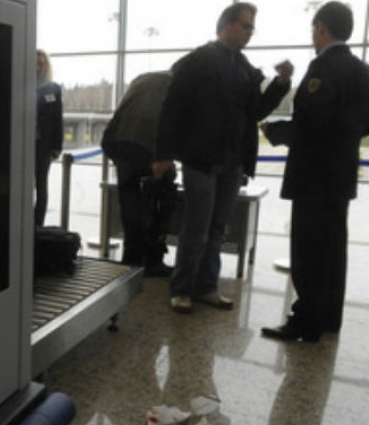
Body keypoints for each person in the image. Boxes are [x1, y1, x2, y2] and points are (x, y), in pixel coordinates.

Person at [152, 2, 293, 313]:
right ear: (226, 24)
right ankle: (182, 288)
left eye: (252, 27)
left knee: (217, 229)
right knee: (197, 228)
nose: (250, 32)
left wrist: (280, 85)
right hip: (201, 159)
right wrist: (163, 154)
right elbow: (172, 109)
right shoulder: (197, 61)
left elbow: (255, 111)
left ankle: (206, 287)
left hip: (232, 160)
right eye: (245, 25)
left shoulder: (244, 68)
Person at [260, 1, 369, 342]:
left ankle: (305, 322)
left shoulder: (323, 67)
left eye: (314, 29)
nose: (313, 36)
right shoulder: (361, 70)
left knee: (308, 250)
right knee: (333, 249)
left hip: (314, 177)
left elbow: (311, 125)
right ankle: (328, 318)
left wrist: (275, 132)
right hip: (341, 174)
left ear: (321, 28)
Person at [101, 71, 177, 277]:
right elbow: (174, 121)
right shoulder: (180, 85)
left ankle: (131, 258)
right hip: (145, 144)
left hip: (117, 141)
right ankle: (153, 258)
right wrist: (166, 157)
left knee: (129, 200)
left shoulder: (143, 78)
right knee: (163, 194)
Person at [35, 49, 64, 226]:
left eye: (41, 64)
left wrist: (57, 146)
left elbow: (57, 119)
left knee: (41, 186)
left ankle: (38, 225)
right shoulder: (21, 86)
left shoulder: (53, 89)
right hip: (24, 145)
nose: (38, 68)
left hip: (43, 145)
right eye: (35, 64)